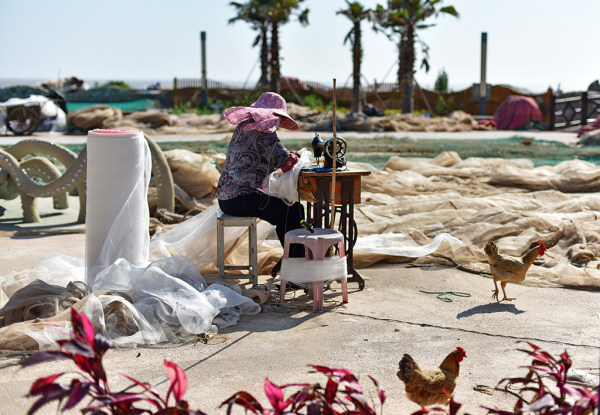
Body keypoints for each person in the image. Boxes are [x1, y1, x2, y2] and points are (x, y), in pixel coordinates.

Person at [216, 92, 305, 257]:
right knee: (293, 211)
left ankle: (291, 259)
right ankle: (295, 263)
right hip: (241, 198)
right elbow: (284, 161)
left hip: (226, 198)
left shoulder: (244, 126)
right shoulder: (264, 131)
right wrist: (297, 157)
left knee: (288, 210)